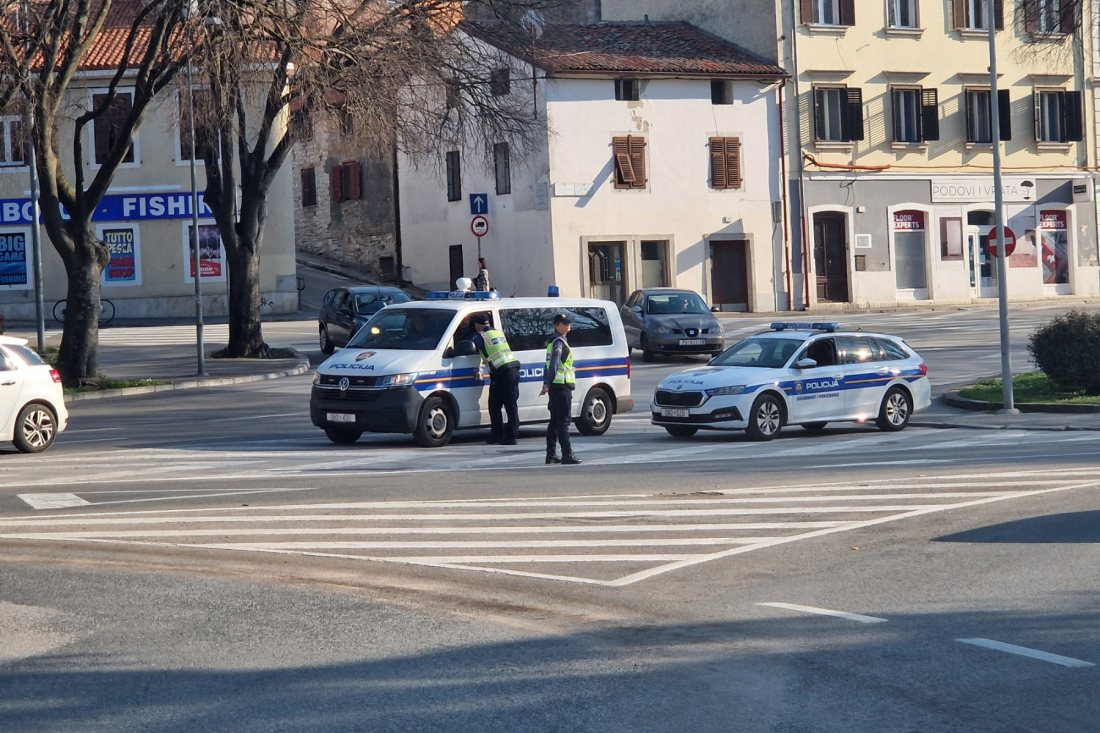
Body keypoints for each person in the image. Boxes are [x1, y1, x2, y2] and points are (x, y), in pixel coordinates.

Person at [471, 313, 520, 445]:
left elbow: (468, 346)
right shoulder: (497, 333)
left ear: (477, 325)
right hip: (514, 369)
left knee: (495, 405)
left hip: (501, 373)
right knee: (511, 405)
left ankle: (496, 436)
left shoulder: (480, 335)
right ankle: (511, 436)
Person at [539, 313, 581, 465]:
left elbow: (548, 366)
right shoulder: (559, 342)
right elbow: (554, 365)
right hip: (561, 387)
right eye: (564, 323)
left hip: (555, 387)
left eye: (568, 322)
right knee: (563, 422)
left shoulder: (553, 342)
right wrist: (547, 384)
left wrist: (547, 384)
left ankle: (551, 454)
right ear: (557, 325)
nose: (568, 324)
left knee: (554, 421)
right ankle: (567, 454)